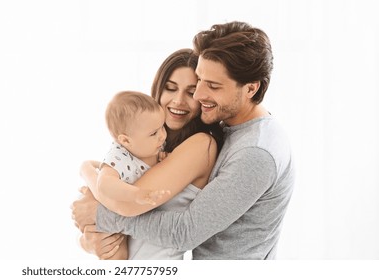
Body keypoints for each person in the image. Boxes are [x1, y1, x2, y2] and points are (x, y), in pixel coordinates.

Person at [72, 21, 295, 259]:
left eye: (212, 85)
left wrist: (100, 215)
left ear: (251, 89)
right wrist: (90, 239)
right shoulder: (225, 126)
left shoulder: (255, 152)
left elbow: (184, 232)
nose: (198, 95)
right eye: (199, 81)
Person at [75, 49, 224, 260]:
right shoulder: (146, 142)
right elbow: (116, 180)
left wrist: (88, 175)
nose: (178, 100)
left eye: (190, 93)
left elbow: (126, 204)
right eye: (170, 88)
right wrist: (87, 242)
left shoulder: (202, 144)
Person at [78, 90, 169, 260]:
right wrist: (136, 193)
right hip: (105, 215)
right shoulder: (118, 156)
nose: (162, 135)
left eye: (162, 127)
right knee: (116, 252)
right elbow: (104, 184)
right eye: (154, 133)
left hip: (122, 218)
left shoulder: (150, 145)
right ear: (126, 140)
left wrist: (162, 157)